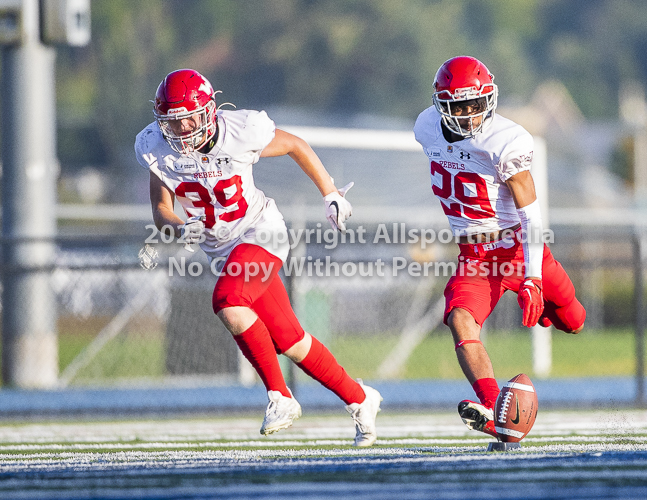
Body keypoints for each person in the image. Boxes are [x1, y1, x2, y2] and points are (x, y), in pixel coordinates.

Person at [135, 69, 382, 446]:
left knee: (228, 302)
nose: (182, 130)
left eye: (189, 119)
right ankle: (361, 398)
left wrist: (330, 193)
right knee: (290, 340)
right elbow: (161, 211)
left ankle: (279, 396)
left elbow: (295, 145)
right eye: (173, 122)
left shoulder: (239, 131)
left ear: (208, 111)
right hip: (223, 249)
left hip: (259, 231)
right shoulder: (155, 146)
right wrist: (181, 228)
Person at [413, 56, 586, 437]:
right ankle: (494, 409)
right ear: (441, 104)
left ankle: (546, 308)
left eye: (475, 103)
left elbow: (531, 217)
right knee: (460, 320)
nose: (469, 113)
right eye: (458, 105)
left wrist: (533, 278)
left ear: (488, 99)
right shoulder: (426, 126)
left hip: (519, 249)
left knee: (573, 321)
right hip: (475, 257)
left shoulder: (506, 140)